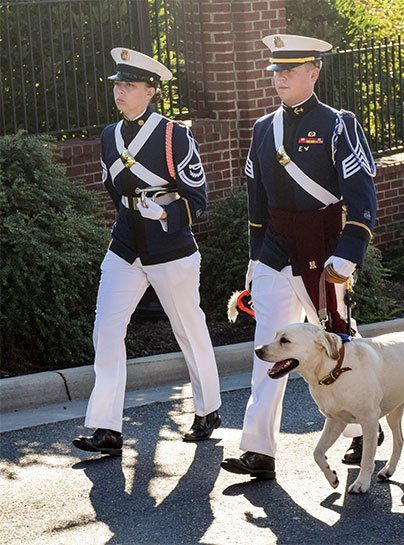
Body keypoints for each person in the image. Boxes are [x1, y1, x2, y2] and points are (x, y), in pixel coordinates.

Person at [220, 34, 378, 480]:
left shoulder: (337, 124)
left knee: (336, 338)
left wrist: (349, 252)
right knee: (268, 346)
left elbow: (362, 194)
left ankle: (364, 430)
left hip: (322, 248)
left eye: (291, 69)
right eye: (276, 70)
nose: (281, 77)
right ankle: (258, 450)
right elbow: (256, 200)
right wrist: (254, 259)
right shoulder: (261, 128)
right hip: (275, 246)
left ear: (314, 72)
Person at [73, 48, 222, 456]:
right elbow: (112, 189)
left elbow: (199, 197)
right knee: (106, 329)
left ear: (151, 91)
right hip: (125, 245)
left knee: (188, 330)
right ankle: (107, 428)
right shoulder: (109, 136)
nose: (120, 92)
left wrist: (166, 212)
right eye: (118, 85)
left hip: (171, 247)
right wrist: (136, 212)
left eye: (129, 86)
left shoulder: (174, 135)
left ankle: (208, 410)